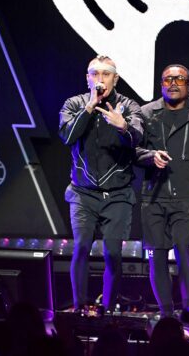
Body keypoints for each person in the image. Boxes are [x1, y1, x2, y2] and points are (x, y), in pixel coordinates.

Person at [136, 64, 189, 317]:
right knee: (157, 257)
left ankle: (188, 314)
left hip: (188, 199)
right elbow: (131, 151)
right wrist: (150, 155)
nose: (173, 83)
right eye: (167, 79)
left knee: (184, 252)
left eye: (179, 79)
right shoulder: (146, 113)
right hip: (153, 197)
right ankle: (166, 316)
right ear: (161, 84)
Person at [58, 55, 143, 312]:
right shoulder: (74, 103)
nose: (100, 79)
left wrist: (122, 125)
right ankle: (80, 307)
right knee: (81, 247)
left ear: (115, 79)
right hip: (83, 193)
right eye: (94, 74)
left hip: (117, 195)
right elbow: (67, 135)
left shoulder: (128, 106)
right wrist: (90, 107)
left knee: (113, 254)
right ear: (87, 79)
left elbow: (137, 138)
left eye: (106, 74)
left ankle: (107, 308)